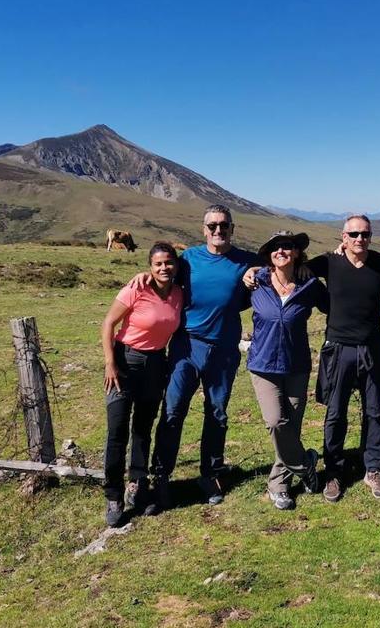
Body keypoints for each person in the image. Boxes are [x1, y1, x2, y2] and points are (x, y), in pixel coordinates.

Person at [146, 205, 259, 512]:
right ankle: (161, 477)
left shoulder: (247, 261)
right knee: (173, 411)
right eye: (212, 226)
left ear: (232, 228)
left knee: (217, 413)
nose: (217, 231)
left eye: (223, 225)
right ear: (203, 229)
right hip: (187, 346)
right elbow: (161, 278)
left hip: (224, 350)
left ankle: (210, 474)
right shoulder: (188, 260)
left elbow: (283, 263)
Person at [309, 215, 380, 501]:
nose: (360, 239)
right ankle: (333, 472)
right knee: (335, 413)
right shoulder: (328, 262)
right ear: (343, 237)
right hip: (338, 348)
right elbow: (292, 266)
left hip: (372, 347)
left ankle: (373, 468)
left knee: (374, 411)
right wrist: (255, 272)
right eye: (354, 234)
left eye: (365, 234)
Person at [100, 241, 184, 526]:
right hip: (126, 361)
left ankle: (137, 483)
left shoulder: (178, 293)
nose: (164, 268)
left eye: (168, 262)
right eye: (158, 263)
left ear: (176, 265)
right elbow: (108, 324)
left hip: (156, 364)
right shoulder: (136, 288)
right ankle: (113, 494)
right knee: (117, 429)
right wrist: (110, 363)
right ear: (150, 267)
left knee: (143, 429)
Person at [246, 231, 328, 509]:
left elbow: (334, 306)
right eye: (275, 247)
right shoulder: (256, 282)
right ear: (269, 254)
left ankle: (279, 485)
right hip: (263, 365)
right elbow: (226, 301)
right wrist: (250, 271)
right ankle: (306, 465)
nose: (281, 251)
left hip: (296, 366)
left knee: (290, 427)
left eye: (287, 247)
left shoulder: (310, 284)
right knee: (275, 422)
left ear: (296, 253)